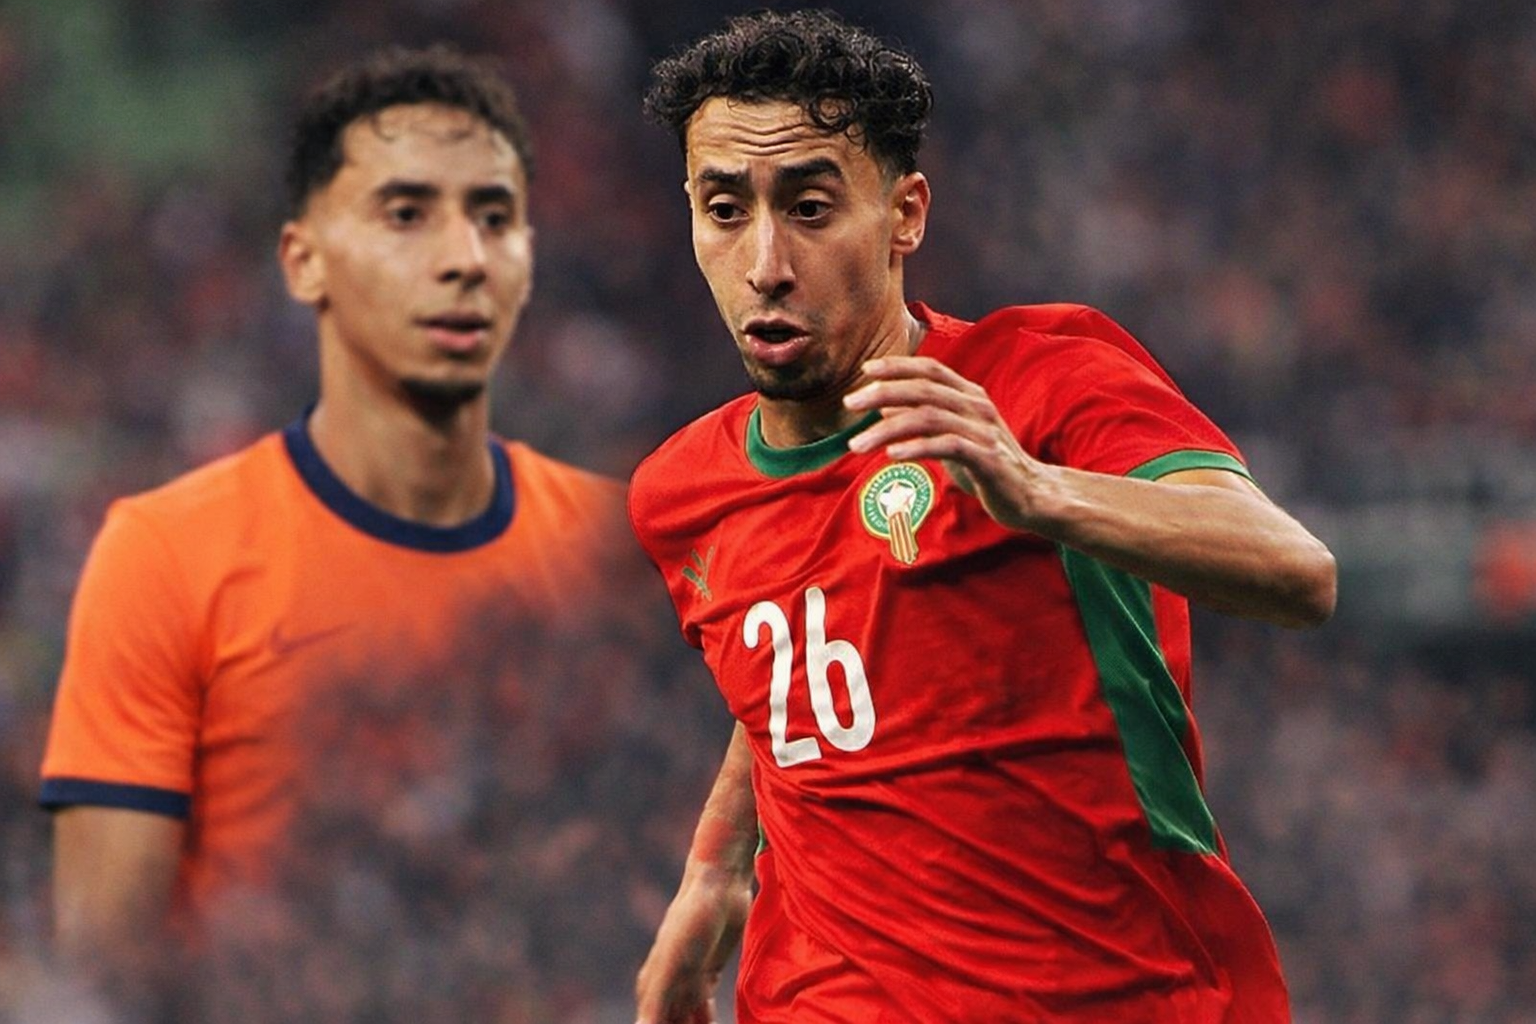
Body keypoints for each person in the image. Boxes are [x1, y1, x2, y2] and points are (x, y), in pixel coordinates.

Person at [628, 10, 1337, 1024]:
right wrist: (713, 873)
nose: (766, 261)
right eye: (726, 209)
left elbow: (1296, 570)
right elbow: (806, 657)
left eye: (812, 208)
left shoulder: (1043, 382)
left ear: (904, 215)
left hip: (1111, 993)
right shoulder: (679, 494)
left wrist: (1037, 490)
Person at [38, 44, 625, 1014]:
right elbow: (103, 973)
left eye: (494, 217)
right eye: (406, 214)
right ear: (303, 261)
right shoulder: (166, 553)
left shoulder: (622, 550)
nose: (463, 258)